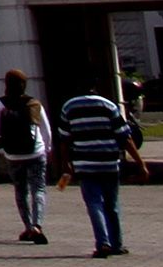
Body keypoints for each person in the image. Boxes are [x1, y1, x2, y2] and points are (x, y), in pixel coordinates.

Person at [58, 81, 144, 256]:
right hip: (109, 163)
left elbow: (64, 139)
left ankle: (103, 243)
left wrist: (66, 163)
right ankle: (117, 244)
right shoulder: (108, 105)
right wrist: (140, 163)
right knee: (112, 205)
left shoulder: (69, 107)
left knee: (94, 203)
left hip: (84, 164)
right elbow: (125, 137)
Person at [0, 70, 54, 246]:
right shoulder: (34, 103)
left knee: (20, 191)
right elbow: (46, 130)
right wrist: (47, 149)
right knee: (38, 189)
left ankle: (27, 227)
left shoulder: (0, 104)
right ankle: (37, 225)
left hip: (13, 155)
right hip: (36, 152)